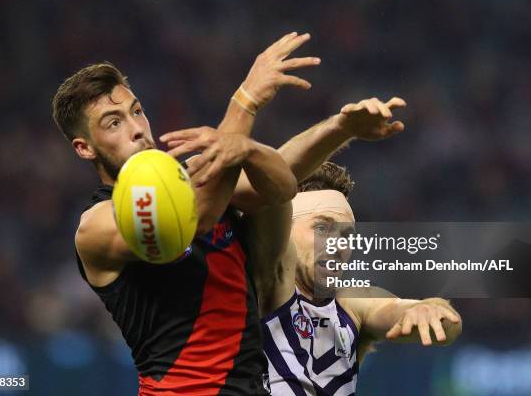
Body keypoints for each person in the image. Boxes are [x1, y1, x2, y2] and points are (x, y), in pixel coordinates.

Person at [51, 32, 319, 395]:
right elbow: (196, 217)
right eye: (113, 123)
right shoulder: (96, 227)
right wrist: (245, 102)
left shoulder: (195, 176)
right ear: (84, 148)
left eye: (136, 111)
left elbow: (280, 188)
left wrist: (254, 148)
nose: (136, 129)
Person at [250, 98, 462, 395]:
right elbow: (272, 183)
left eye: (347, 235)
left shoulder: (350, 303)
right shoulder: (262, 283)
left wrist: (428, 309)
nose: (337, 244)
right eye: (321, 228)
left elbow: (410, 313)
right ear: (284, 231)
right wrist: (338, 129)